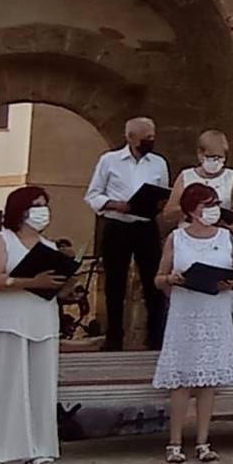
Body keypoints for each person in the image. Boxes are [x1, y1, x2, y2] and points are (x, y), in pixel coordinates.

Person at [0, 186, 66, 464]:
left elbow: (52, 284)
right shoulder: (0, 240)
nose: (43, 210)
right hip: (6, 321)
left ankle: (39, 449)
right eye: (36, 205)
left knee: (40, 386)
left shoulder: (49, 247)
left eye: (45, 205)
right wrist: (31, 281)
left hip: (41, 321)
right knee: (4, 385)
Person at [151, 182, 233, 463]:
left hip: (215, 311)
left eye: (215, 204)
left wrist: (232, 283)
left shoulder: (227, 237)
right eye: (206, 205)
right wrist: (171, 280)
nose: (212, 210)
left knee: (208, 379)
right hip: (186, 311)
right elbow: (158, 277)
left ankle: (203, 440)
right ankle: (175, 441)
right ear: (191, 209)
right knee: (181, 378)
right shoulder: (177, 238)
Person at [83, 115, 170, 351]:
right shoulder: (109, 161)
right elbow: (93, 195)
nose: (150, 141)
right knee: (115, 283)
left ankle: (156, 337)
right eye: (145, 138)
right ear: (131, 138)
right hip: (117, 225)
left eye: (152, 137)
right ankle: (114, 337)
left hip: (145, 225)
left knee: (154, 281)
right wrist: (114, 204)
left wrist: (158, 204)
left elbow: (163, 193)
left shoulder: (158, 163)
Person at [169, 130, 233, 236]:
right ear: (200, 154)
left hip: (220, 236)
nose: (216, 161)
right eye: (211, 156)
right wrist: (194, 209)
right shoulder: (186, 176)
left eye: (220, 157)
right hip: (188, 235)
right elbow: (169, 212)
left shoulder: (232, 176)